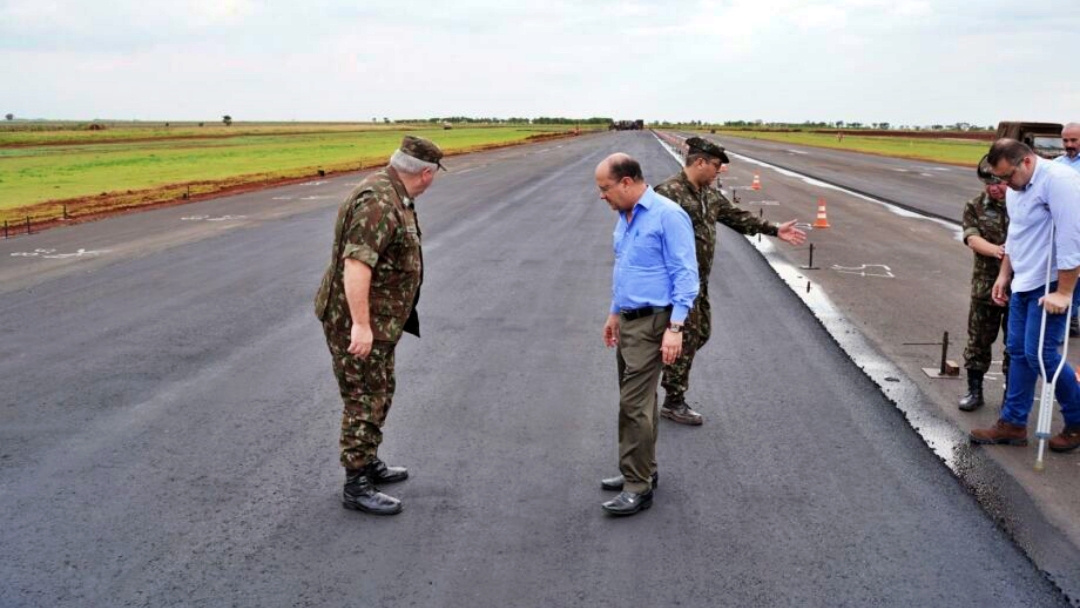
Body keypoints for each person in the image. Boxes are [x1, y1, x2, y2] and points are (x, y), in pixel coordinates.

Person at [314, 136, 445, 515]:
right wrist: (361, 325)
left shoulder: (390, 191)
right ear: (425, 173)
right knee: (365, 397)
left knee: (378, 389)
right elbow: (357, 265)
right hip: (358, 324)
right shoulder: (378, 202)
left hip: (378, 323)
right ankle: (356, 483)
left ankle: (367, 461)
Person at [654, 137, 806, 425]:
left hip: (699, 283)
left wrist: (774, 229)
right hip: (677, 285)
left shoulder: (707, 195)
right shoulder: (669, 193)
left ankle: (665, 366)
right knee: (685, 339)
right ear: (699, 162)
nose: (719, 171)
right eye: (715, 165)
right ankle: (674, 400)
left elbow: (737, 217)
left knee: (701, 334)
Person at [595, 153, 699, 516]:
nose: (601, 195)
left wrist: (675, 328)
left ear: (626, 182)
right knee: (641, 403)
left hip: (655, 322)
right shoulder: (625, 217)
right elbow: (626, 269)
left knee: (633, 405)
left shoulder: (668, 216)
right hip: (628, 319)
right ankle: (642, 470)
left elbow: (686, 274)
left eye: (605, 188)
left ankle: (637, 486)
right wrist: (613, 313)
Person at [970, 139, 1080, 452]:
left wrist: (1064, 292)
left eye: (1008, 177)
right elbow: (1016, 234)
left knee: (1041, 354)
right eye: (999, 179)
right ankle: (1013, 423)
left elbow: (1074, 239)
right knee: (1017, 350)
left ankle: (1077, 419)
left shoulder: (1060, 182)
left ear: (1027, 162)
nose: (1005, 184)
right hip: (1025, 278)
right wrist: (1005, 275)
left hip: (1055, 280)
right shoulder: (1017, 189)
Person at [958, 157, 1010, 411]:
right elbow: (971, 238)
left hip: (1019, 288)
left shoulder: (1024, 205)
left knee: (1016, 345)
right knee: (978, 340)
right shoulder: (975, 205)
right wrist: (1000, 252)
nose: (993, 188)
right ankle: (974, 391)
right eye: (988, 183)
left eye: (998, 182)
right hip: (985, 285)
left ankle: (1011, 397)